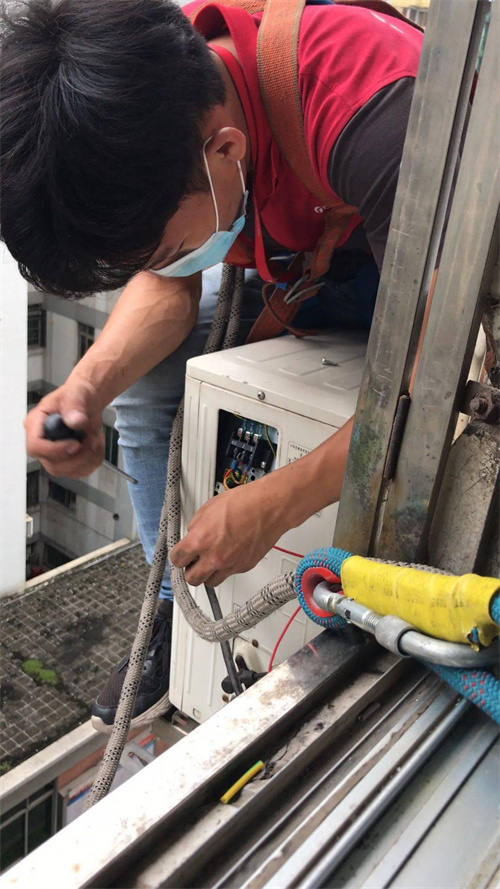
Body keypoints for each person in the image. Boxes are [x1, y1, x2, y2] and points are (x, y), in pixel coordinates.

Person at [2, 0, 422, 731]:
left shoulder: (372, 109)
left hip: (428, 294)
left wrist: (277, 501)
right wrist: (86, 389)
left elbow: (434, 385)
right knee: (144, 388)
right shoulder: (162, 99)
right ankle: (171, 606)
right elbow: (169, 284)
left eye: (165, 247)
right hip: (305, 271)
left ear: (226, 151)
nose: (170, 261)